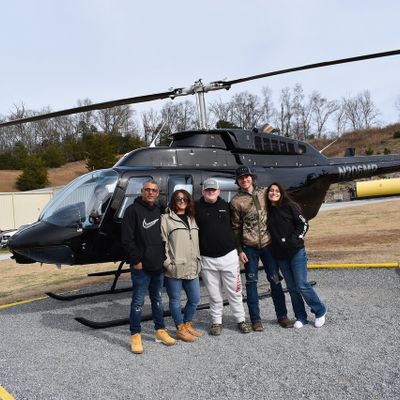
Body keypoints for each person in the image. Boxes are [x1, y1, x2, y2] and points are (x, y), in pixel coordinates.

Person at [230, 166, 293, 331]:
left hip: (268, 244)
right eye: (241, 178)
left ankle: (282, 316)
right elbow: (235, 228)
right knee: (251, 283)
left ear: (251, 177)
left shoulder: (265, 192)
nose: (244, 180)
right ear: (237, 181)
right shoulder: (236, 201)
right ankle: (256, 320)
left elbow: (279, 204)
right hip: (249, 246)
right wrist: (240, 250)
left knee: (275, 279)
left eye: (247, 176)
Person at [121, 180, 176, 354]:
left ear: (158, 193)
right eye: (147, 190)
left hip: (157, 265)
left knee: (157, 300)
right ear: (142, 191)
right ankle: (135, 334)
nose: (150, 193)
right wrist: (136, 260)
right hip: (141, 266)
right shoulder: (132, 210)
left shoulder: (159, 210)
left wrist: (163, 258)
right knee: (138, 301)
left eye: (154, 190)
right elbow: (127, 239)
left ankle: (160, 330)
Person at [266, 182, 327, 328]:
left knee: (302, 284)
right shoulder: (267, 212)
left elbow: (303, 224)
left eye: (277, 191)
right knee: (292, 288)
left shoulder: (290, 206)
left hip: (296, 252)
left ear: (281, 193)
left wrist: (293, 239)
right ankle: (301, 316)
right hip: (281, 256)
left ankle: (319, 310)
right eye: (271, 191)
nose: (274, 193)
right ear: (267, 194)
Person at [195, 178, 252, 336]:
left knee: (235, 291)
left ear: (219, 191)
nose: (211, 192)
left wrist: (240, 249)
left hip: (228, 256)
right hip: (207, 259)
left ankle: (241, 319)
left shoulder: (227, 206)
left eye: (213, 190)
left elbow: (236, 229)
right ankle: (216, 322)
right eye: (208, 190)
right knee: (214, 295)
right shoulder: (195, 207)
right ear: (203, 191)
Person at [161, 189, 203, 342]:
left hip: (192, 267)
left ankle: (187, 324)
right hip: (175, 268)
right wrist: (168, 264)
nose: (182, 201)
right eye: (178, 199)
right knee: (175, 300)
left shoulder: (192, 218)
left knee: (195, 299)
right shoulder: (166, 219)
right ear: (174, 201)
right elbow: (162, 243)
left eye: (185, 198)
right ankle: (180, 328)